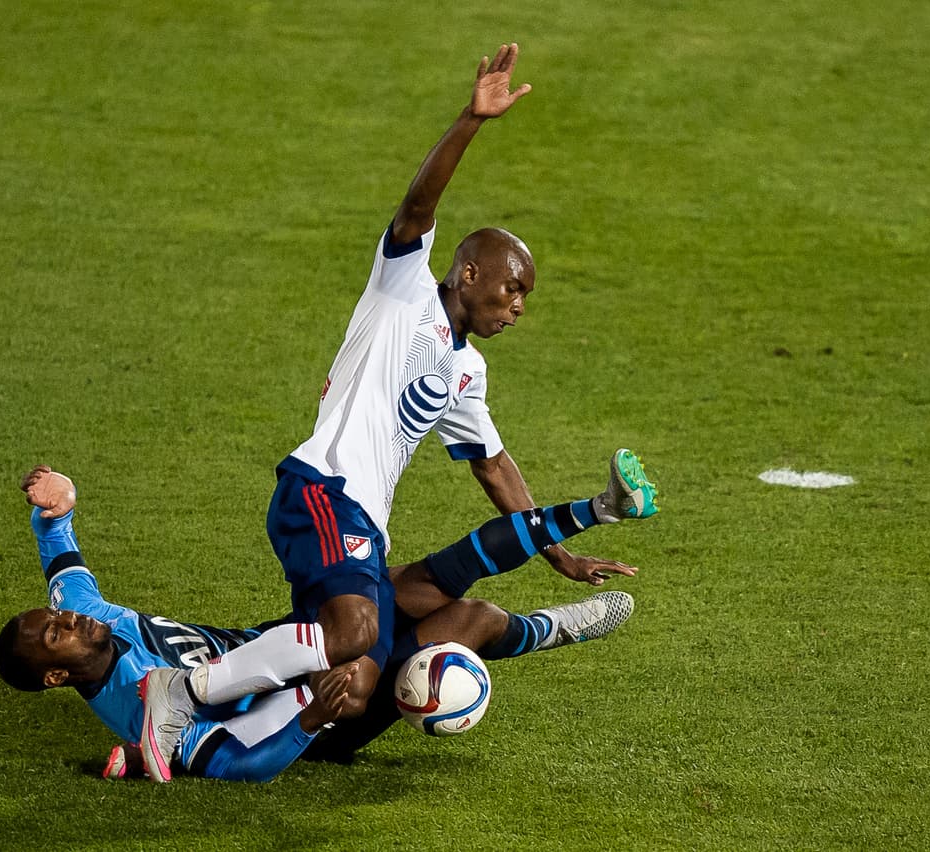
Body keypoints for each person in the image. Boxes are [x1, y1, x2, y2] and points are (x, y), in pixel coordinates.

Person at [138, 43, 659, 783]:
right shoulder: (402, 291)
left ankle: (539, 629)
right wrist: (470, 120)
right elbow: (418, 207)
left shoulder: (466, 369)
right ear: (467, 272)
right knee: (356, 634)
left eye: (525, 300)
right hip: (320, 490)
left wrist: (559, 556)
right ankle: (181, 693)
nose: (516, 307)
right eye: (511, 290)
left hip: (361, 527)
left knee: (433, 638)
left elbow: (492, 463)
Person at [0, 452, 655, 781]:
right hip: (324, 707)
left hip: (300, 643)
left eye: (60, 619)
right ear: (56, 676)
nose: (73, 623)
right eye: (59, 634)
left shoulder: (85, 615)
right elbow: (236, 764)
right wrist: (313, 716)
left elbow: (60, 552)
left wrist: (54, 504)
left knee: (413, 585)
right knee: (469, 617)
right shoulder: (135, 711)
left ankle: (592, 519)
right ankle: (560, 619)